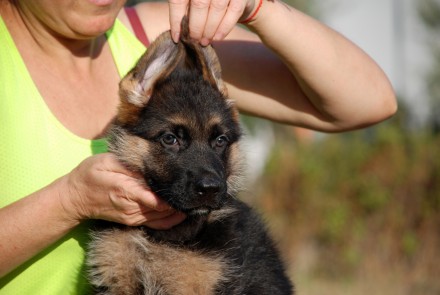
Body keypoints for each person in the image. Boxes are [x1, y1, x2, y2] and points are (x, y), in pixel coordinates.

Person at [0, 0, 397, 293]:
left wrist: (258, 8)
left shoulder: (166, 39)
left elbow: (371, 101)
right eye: (171, 139)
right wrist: (71, 202)